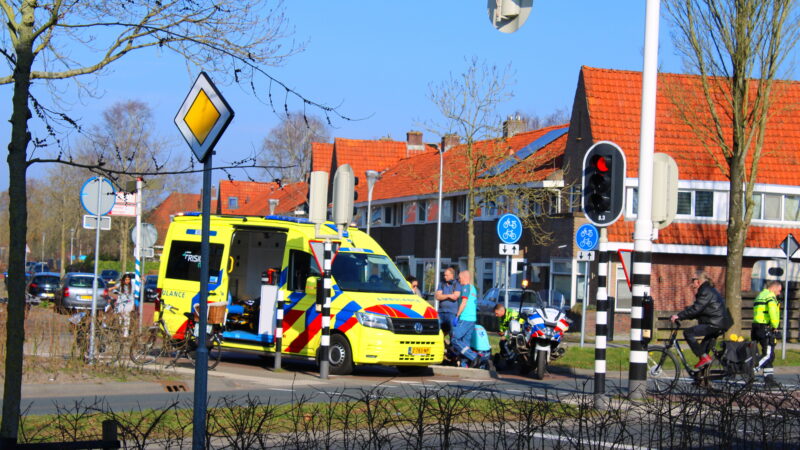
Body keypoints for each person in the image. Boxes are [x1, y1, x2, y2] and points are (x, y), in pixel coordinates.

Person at [670, 271, 731, 369]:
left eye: (692, 280)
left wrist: (679, 316)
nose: (691, 283)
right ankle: (702, 379)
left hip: (714, 324)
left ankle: (704, 359)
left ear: (698, 281)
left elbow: (696, 309)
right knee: (702, 351)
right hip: (717, 323)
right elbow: (699, 311)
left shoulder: (705, 291)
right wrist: (684, 315)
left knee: (688, 333)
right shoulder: (707, 290)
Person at [752, 280, 782, 388]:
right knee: (767, 355)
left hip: (756, 327)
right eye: (779, 290)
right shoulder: (770, 296)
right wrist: (775, 326)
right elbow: (773, 311)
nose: (779, 293)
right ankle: (750, 371)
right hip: (765, 328)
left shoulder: (761, 295)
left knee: (770, 355)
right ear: (774, 288)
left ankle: (769, 381)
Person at [451, 270, 479, 368]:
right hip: (472, 319)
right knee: (465, 343)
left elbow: (464, 302)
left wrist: (457, 315)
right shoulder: (473, 288)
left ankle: (474, 356)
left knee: (455, 339)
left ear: (464, 277)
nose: (459, 280)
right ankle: (464, 365)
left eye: (459, 278)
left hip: (465, 318)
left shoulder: (466, 287)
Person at [435, 267, 461, 336]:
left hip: (451, 313)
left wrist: (443, 295)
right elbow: (437, 296)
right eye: (444, 275)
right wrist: (449, 296)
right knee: (438, 330)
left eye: (447, 275)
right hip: (441, 312)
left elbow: (455, 297)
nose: (445, 277)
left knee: (452, 332)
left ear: (452, 275)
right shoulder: (441, 284)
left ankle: (452, 345)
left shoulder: (456, 284)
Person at [110, 273, 135, 337]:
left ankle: (126, 332)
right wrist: (110, 289)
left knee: (126, 316)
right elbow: (116, 287)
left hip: (129, 302)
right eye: (126, 279)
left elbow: (133, 293)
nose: (127, 281)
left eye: (128, 279)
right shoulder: (121, 285)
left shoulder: (132, 285)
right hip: (121, 302)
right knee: (120, 315)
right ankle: (121, 329)